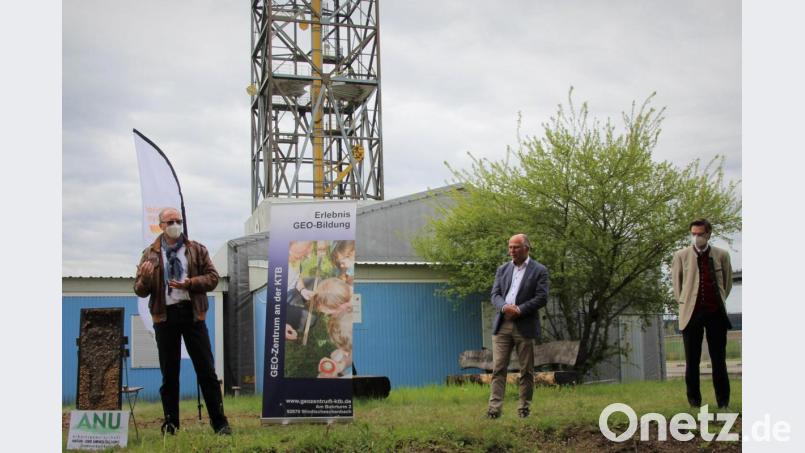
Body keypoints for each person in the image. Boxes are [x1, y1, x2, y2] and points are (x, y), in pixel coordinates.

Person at [134, 207, 232, 435]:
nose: (176, 224)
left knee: (206, 371)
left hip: (192, 315)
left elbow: (213, 278)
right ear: (161, 226)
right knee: (170, 374)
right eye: (170, 221)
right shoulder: (149, 254)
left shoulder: (196, 249)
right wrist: (146, 279)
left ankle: (220, 423)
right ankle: (171, 424)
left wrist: (190, 283)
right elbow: (139, 290)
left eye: (178, 220)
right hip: (164, 317)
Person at [671, 218, 733, 409]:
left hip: (716, 313)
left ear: (708, 234)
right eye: (694, 233)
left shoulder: (722, 255)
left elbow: (727, 284)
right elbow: (677, 285)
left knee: (718, 360)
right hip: (691, 314)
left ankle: (723, 402)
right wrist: (686, 301)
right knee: (692, 360)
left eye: (700, 233)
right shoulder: (681, 255)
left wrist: (718, 300)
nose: (696, 237)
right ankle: (694, 403)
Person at [487, 234, 549, 419]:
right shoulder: (503, 269)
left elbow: (542, 297)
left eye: (515, 247)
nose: (511, 251)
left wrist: (520, 310)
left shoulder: (539, 270)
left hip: (525, 324)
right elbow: (495, 294)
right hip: (503, 324)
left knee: (526, 370)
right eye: (510, 247)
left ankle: (524, 409)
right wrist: (505, 306)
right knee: (498, 368)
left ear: (526, 248)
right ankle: (494, 410)